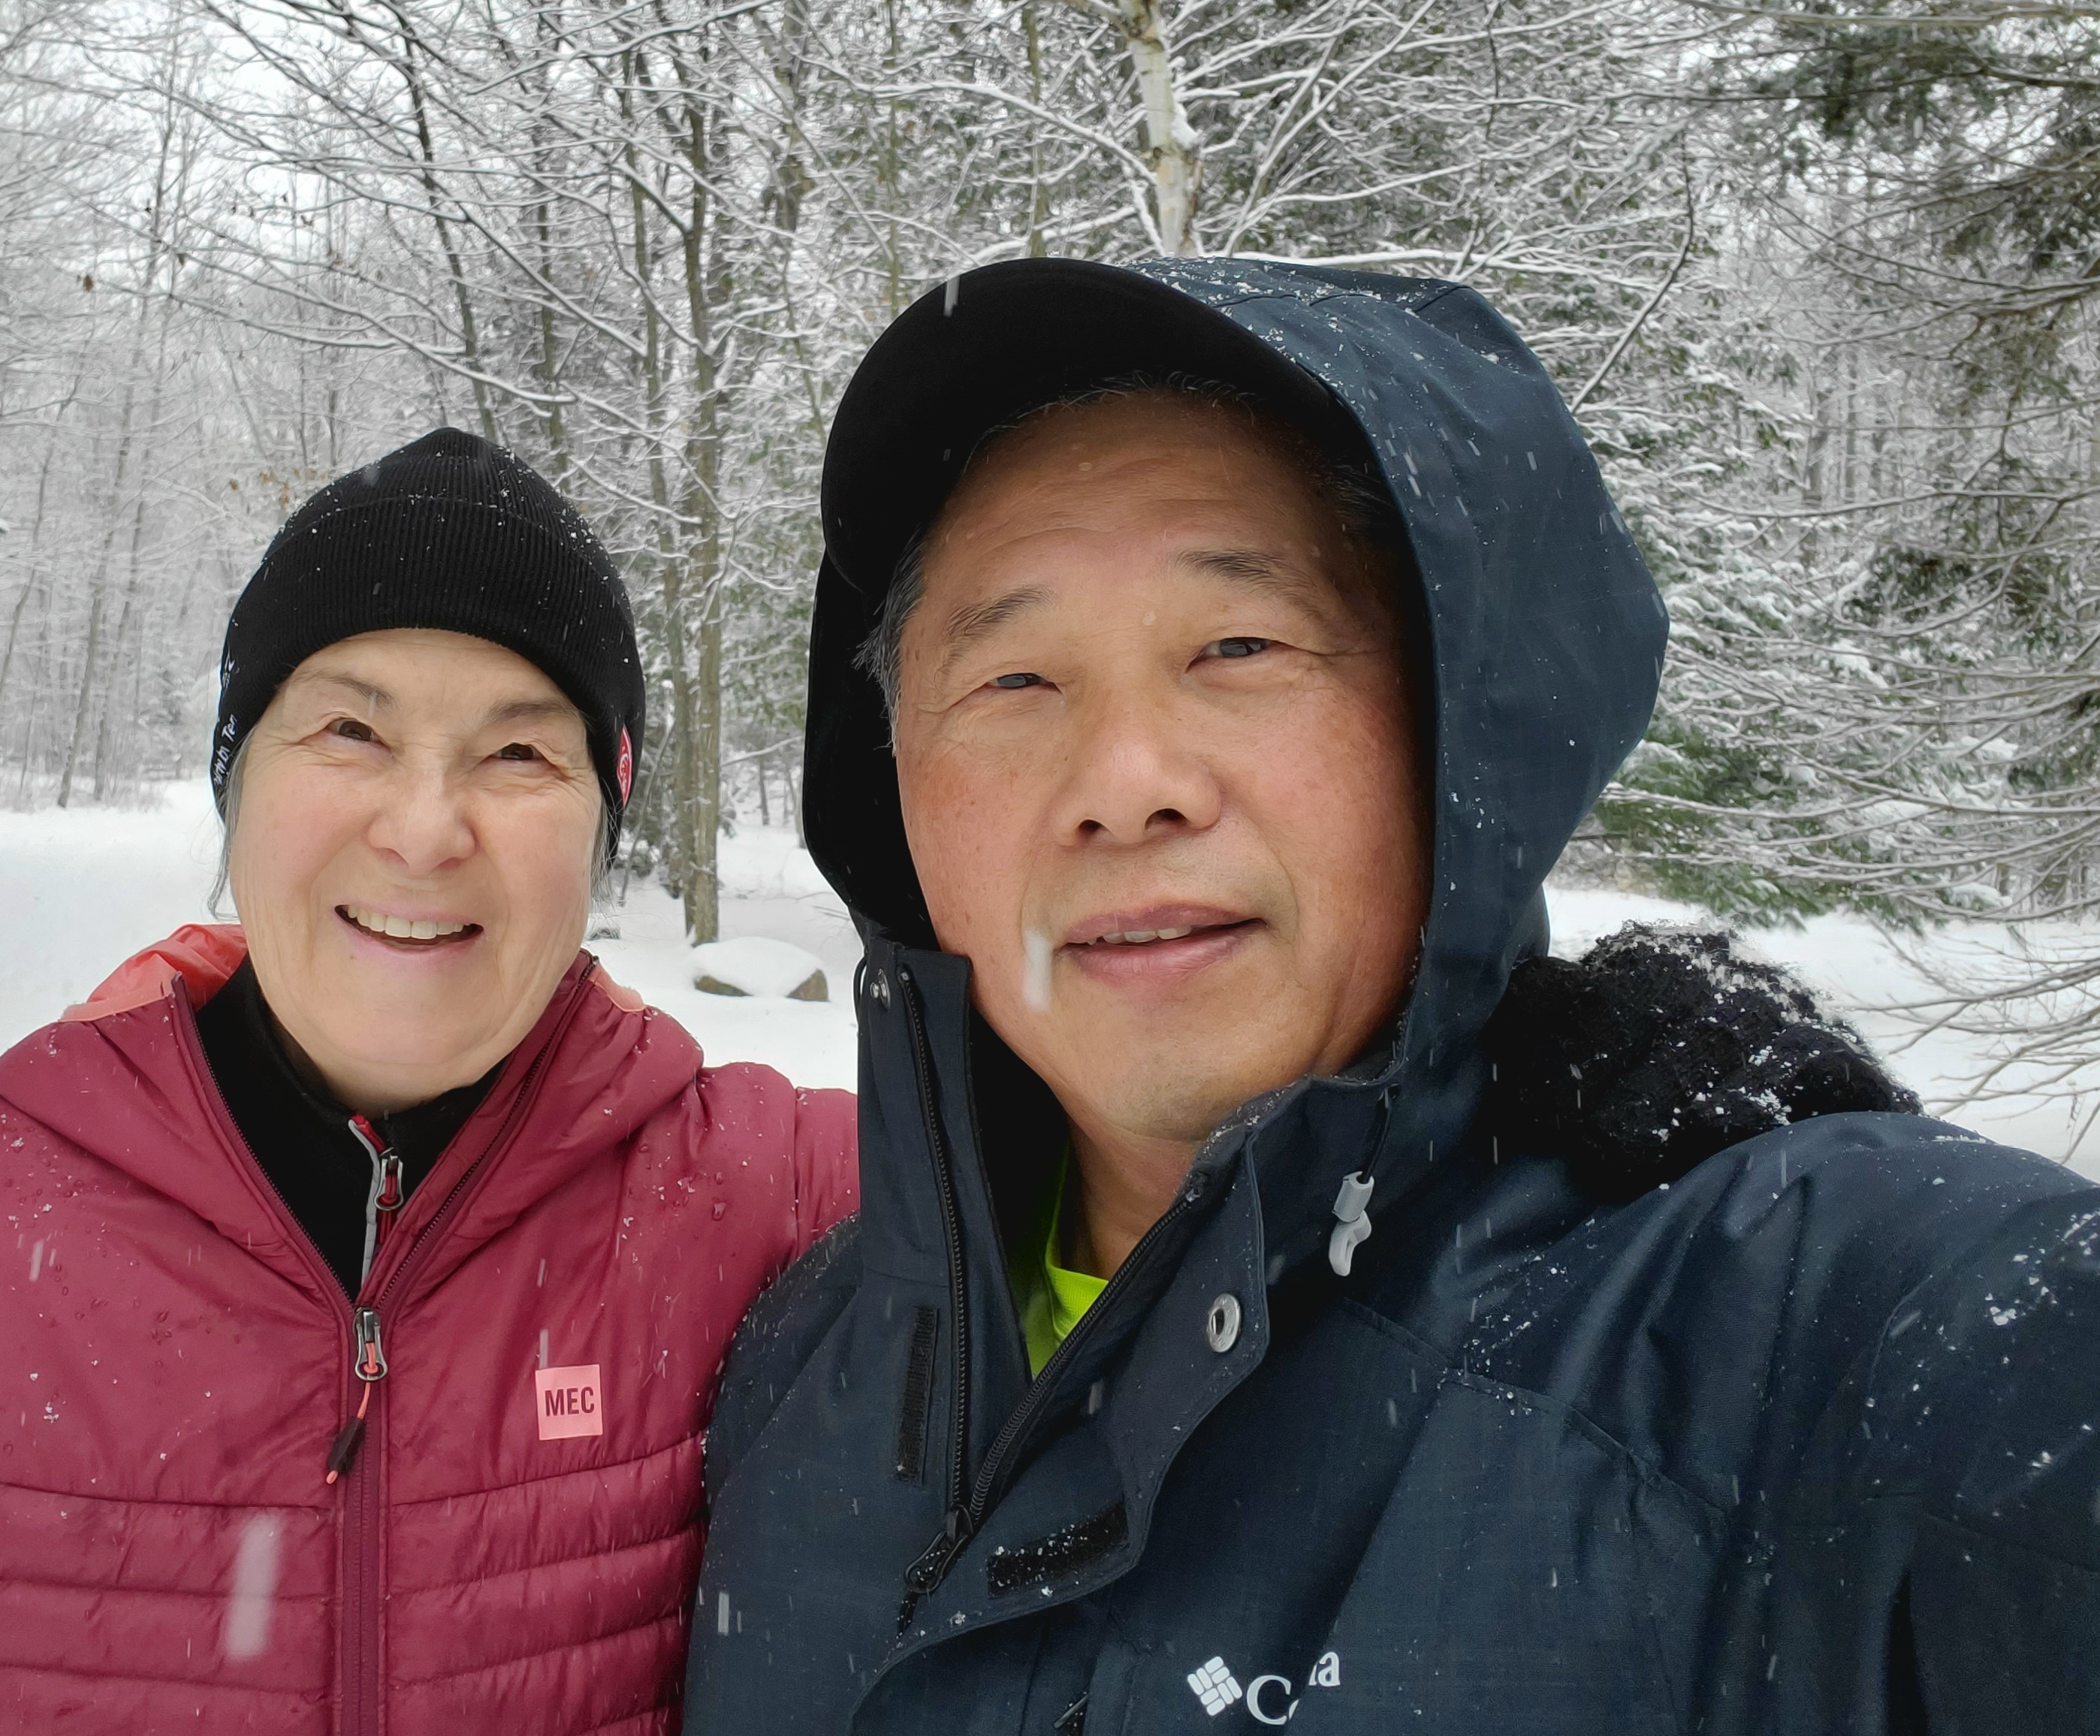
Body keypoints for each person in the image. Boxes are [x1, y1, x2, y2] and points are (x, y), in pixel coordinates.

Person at [684, 258, 2100, 1733]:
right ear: (891, 784)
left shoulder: (1813, 1353)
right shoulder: (795, 1379)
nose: (1123, 786)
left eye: (1239, 647)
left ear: (1453, 732)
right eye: (1017, 681)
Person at [0, 427, 855, 1736]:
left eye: (520, 754)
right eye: (349, 729)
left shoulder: (791, 1201)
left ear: (603, 820)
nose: (422, 828)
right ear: (235, 787)